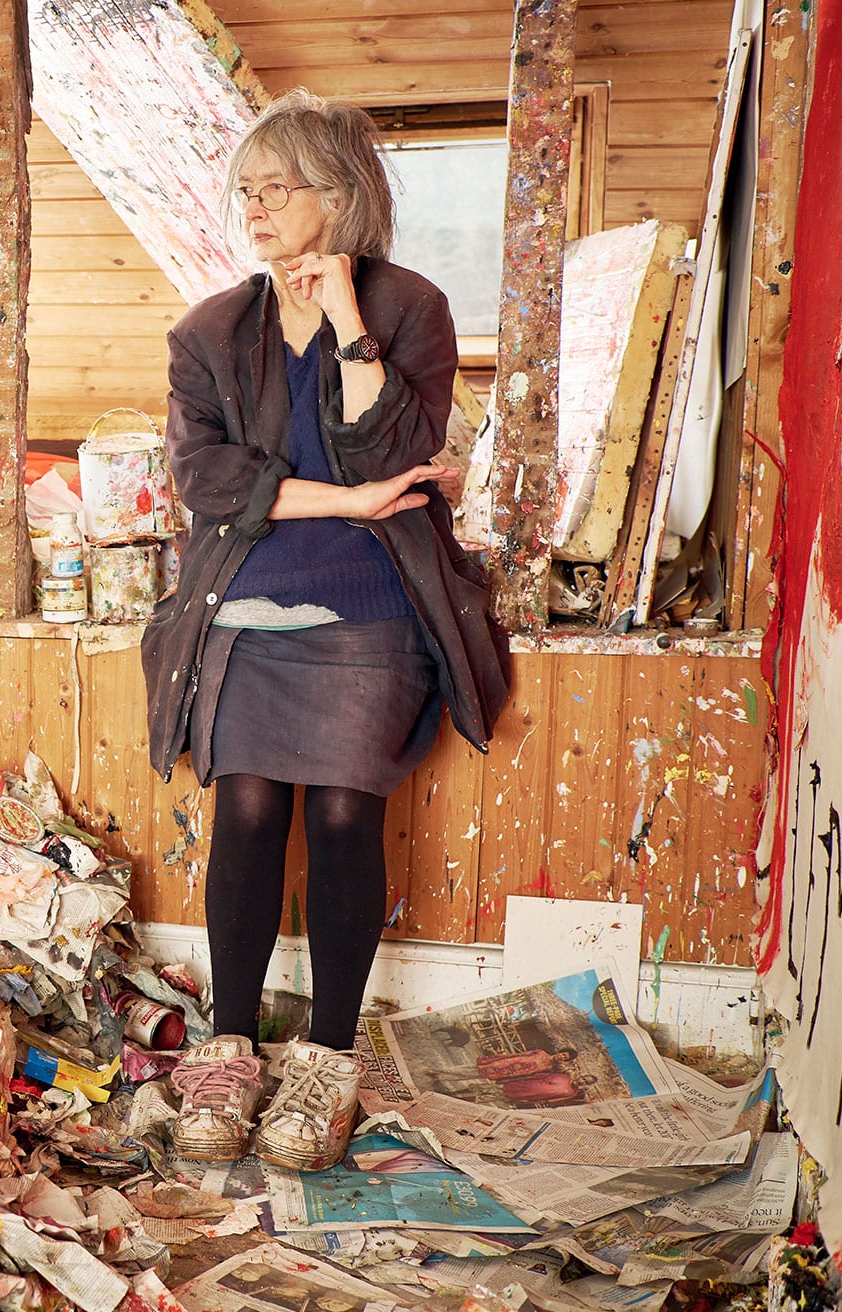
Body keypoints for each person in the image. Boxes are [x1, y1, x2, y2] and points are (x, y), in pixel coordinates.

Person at [144, 90, 509, 1171]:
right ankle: (228, 1050)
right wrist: (345, 502)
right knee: (248, 808)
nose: (253, 208)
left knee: (347, 814)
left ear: (339, 195)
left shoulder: (410, 308)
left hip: (371, 604)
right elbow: (208, 483)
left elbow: (390, 449)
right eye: (245, 190)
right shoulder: (209, 330)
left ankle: (328, 1060)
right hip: (245, 600)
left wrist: (348, 318)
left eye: (277, 188)